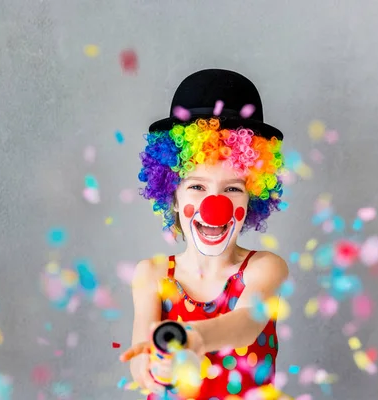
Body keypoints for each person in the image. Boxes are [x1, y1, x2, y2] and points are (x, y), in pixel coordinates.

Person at [120, 69, 290, 399]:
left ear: (253, 196)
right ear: (172, 193)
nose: (216, 205)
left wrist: (194, 337)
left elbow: (246, 325)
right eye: (197, 186)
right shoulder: (152, 274)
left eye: (233, 189)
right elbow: (140, 358)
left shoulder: (265, 268)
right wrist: (154, 366)